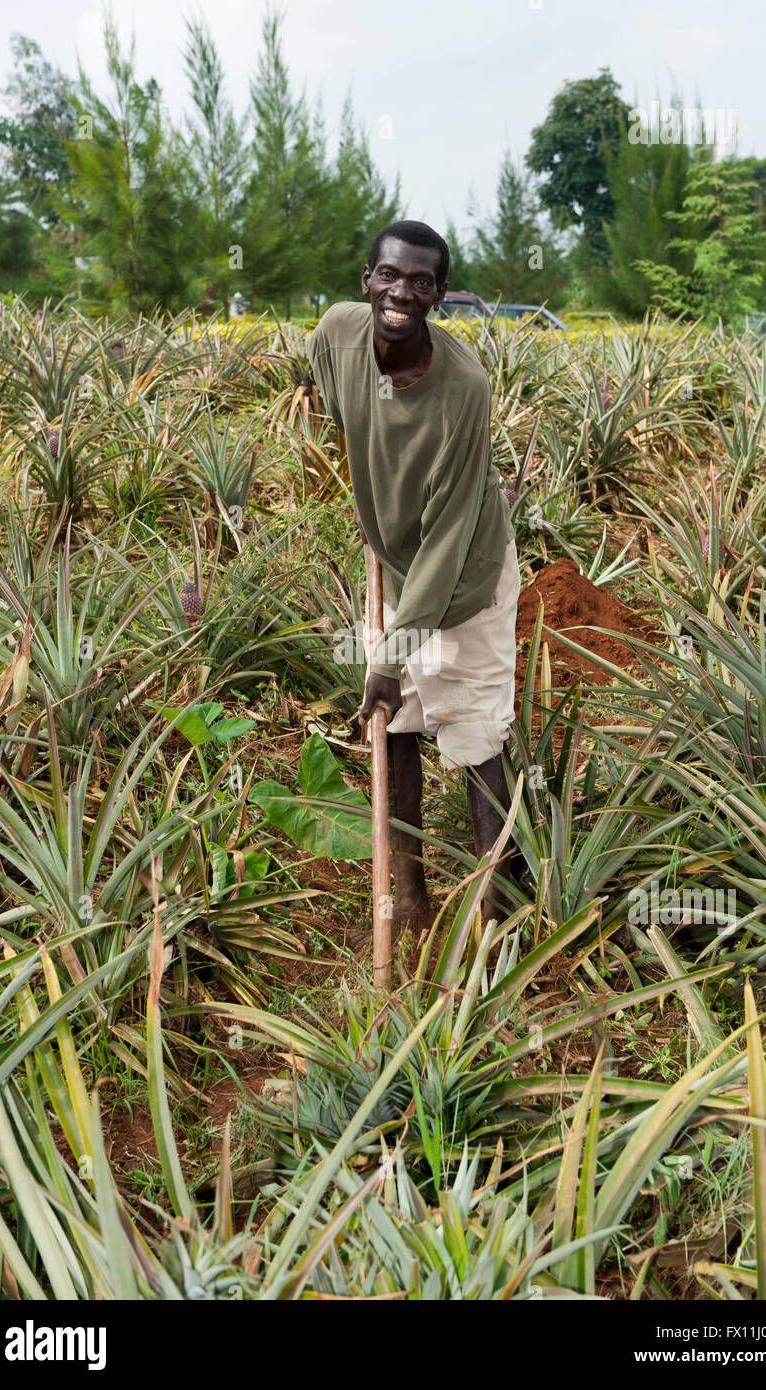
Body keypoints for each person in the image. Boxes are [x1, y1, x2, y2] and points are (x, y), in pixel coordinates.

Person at [306, 220, 520, 940]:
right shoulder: (337, 333)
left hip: (464, 581)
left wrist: (393, 655)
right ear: (367, 280)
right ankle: (410, 897)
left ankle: (498, 918)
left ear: (439, 296)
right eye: (390, 276)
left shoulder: (464, 389)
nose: (402, 293)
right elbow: (337, 397)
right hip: (396, 569)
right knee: (393, 725)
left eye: (421, 282)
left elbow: (447, 540)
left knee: (473, 735)